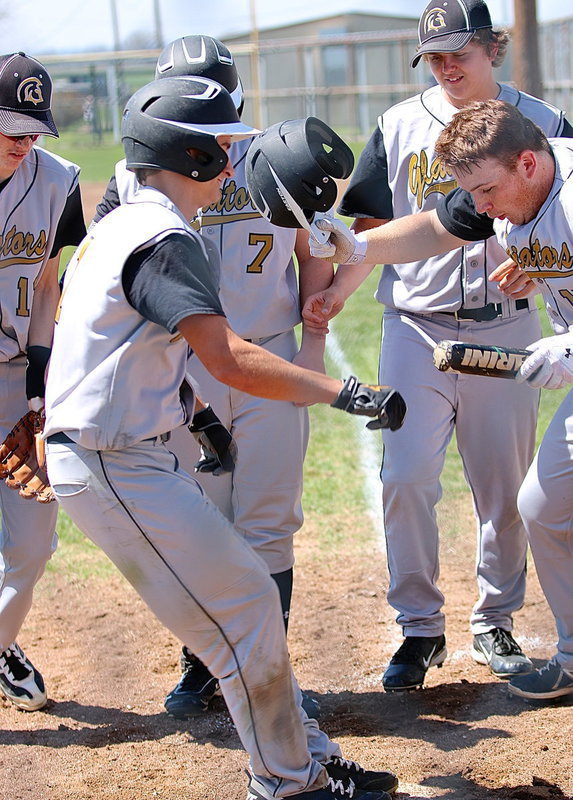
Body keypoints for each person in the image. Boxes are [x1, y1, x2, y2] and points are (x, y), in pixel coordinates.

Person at [43, 75, 403, 799]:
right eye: (224, 146)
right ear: (190, 153)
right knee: (242, 608)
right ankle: (285, 780)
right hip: (113, 464)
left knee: (242, 610)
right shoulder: (161, 235)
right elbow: (227, 358)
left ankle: (303, 757)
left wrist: (200, 420)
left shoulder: (131, 221)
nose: (235, 161)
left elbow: (138, 348)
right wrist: (345, 390)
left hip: (127, 456)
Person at [305, 0, 573, 693]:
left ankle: (496, 618)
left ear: (495, 50)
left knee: (510, 493)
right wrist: (352, 259)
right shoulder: (411, 130)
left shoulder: (551, 141)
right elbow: (430, 222)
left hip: (510, 329)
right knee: (418, 480)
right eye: (435, 57)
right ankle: (420, 628)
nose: (447, 66)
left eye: (460, 51)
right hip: (417, 326)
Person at [92, 35, 333, 720]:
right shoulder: (133, 172)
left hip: (267, 354)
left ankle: (269, 680)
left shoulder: (273, 154)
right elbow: (110, 270)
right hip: (186, 366)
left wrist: (315, 318)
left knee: (269, 520)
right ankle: (202, 668)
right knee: (202, 524)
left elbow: (315, 244)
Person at [0, 52, 86, 711]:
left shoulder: (56, 181)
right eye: (11, 131)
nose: (25, 144)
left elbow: (49, 279)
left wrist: (39, 370)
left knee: (31, 543)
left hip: (13, 379)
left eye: (33, 131)